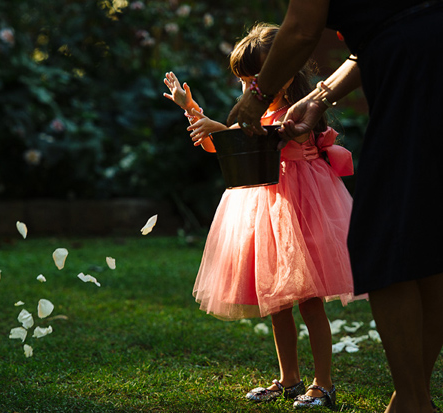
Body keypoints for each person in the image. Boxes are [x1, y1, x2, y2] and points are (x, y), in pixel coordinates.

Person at [226, 2, 443, 413]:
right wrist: (322, 96)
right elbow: (377, 36)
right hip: (420, 58)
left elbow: (302, 28)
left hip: (415, 69)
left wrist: (258, 96)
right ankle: (412, 398)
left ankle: (411, 401)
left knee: (388, 236)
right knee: (428, 232)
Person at [164, 22, 357, 409]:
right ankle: (289, 379)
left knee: (309, 299)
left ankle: (324, 383)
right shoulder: (264, 111)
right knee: (277, 299)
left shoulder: (298, 113)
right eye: (246, 82)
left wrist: (220, 128)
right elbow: (228, 146)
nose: (250, 90)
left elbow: (265, 140)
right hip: (268, 210)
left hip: (305, 206)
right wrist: (193, 112)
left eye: (255, 81)